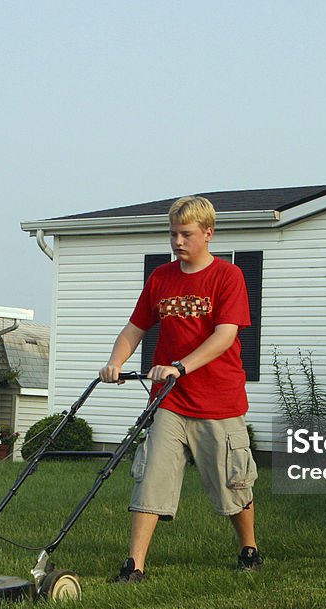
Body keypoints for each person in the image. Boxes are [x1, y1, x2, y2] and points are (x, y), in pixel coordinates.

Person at [99, 195, 261, 582]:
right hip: (169, 401)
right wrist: (115, 362)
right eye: (173, 234)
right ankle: (134, 565)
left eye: (186, 234)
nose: (177, 242)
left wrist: (180, 366)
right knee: (151, 474)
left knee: (232, 484)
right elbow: (135, 327)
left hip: (218, 400)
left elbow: (225, 336)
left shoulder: (227, 277)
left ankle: (248, 548)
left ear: (208, 234)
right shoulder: (161, 279)